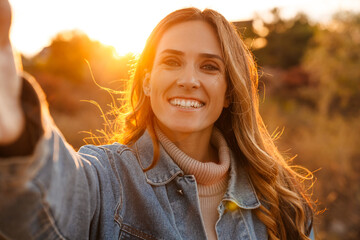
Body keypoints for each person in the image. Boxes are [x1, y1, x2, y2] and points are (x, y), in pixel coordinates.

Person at [0, 1, 315, 239]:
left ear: (229, 92)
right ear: (148, 83)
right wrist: (16, 130)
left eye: (209, 67)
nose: (189, 79)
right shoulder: (106, 178)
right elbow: (55, 201)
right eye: (172, 62)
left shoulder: (280, 197)